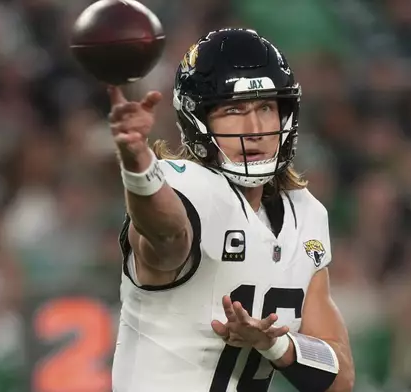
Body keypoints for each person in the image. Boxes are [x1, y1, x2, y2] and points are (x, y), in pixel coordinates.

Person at [109, 28, 355, 392]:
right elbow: (167, 235)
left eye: (266, 108)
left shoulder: (306, 214)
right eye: (234, 110)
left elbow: (340, 377)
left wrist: (274, 343)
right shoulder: (184, 188)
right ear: (199, 121)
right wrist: (140, 169)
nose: (254, 128)